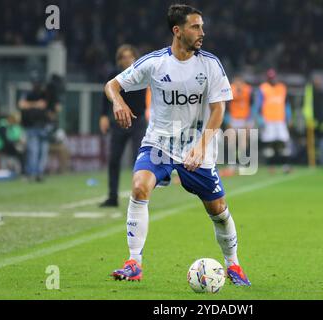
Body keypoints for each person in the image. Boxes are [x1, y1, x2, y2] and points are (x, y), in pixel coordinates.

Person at [105, 4, 250, 286]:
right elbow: (112, 85)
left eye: (202, 27)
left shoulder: (210, 64)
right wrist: (118, 101)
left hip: (198, 148)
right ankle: (134, 262)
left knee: (218, 210)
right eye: (195, 27)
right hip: (158, 143)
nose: (202, 33)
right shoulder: (156, 63)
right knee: (138, 187)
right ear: (177, 30)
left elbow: (218, 111)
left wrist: (200, 147)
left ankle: (234, 264)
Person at [99, 45, 147, 207]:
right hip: (119, 122)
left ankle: (139, 194)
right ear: (119, 60)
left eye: (130, 56)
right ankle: (112, 196)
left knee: (138, 159)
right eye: (123, 57)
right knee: (114, 159)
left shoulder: (142, 72)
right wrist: (104, 116)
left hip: (138, 121)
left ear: (135, 58)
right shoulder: (114, 76)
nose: (127, 60)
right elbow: (105, 96)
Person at [254, 68, 292, 173]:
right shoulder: (263, 88)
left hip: (280, 120)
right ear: (268, 78)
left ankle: (286, 165)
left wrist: (289, 117)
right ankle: (271, 166)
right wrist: (259, 119)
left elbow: (286, 104)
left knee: (283, 142)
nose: (272, 79)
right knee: (269, 143)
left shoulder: (282, 88)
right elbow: (258, 105)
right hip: (268, 120)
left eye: (273, 77)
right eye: (270, 78)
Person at [18, 71, 49, 182]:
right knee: (33, 151)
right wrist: (36, 104)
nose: (36, 84)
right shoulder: (28, 93)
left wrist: (31, 105)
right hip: (31, 126)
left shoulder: (45, 93)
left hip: (43, 125)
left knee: (42, 152)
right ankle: (32, 173)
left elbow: (47, 106)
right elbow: (21, 104)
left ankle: (39, 173)